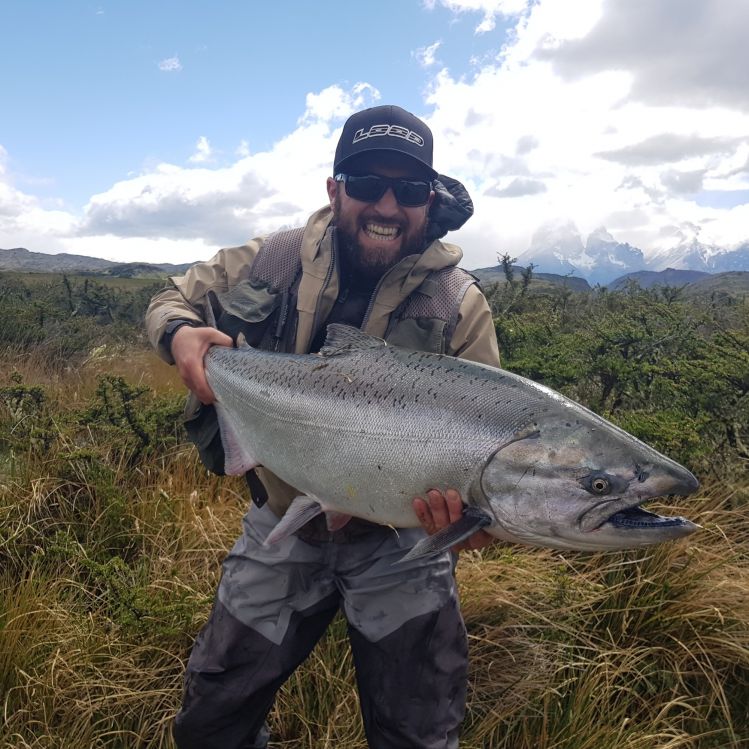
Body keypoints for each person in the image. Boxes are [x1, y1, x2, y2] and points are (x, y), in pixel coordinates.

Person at [146, 104, 501, 749]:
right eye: (366, 184)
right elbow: (171, 296)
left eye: (409, 188)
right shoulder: (275, 258)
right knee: (211, 721)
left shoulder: (458, 303)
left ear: (429, 198)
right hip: (282, 526)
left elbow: (490, 439)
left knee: (419, 736)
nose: (386, 204)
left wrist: (473, 519)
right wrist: (179, 335)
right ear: (335, 189)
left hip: (400, 547)